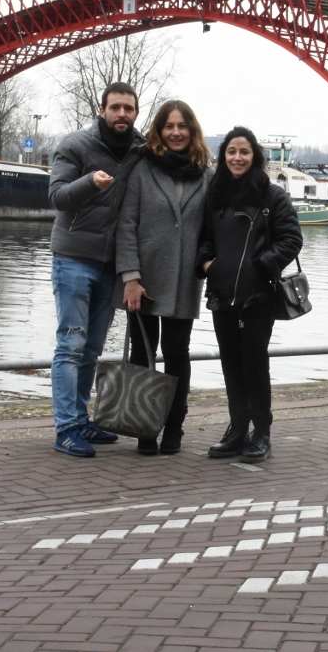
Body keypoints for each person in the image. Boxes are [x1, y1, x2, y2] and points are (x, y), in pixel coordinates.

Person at [48, 82, 145, 457]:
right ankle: (66, 428)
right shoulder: (76, 145)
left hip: (111, 266)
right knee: (70, 344)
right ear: (102, 110)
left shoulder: (140, 150)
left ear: (136, 113)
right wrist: (90, 182)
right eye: (115, 107)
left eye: (128, 108)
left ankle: (81, 419)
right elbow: (57, 197)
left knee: (91, 349)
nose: (122, 114)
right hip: (73, 258)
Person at [196, 127, 302, 463]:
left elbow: (292, 239)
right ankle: (238, 430)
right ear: (223, 156)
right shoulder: (215, 195)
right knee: (230, 365)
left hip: (258, 297)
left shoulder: (272, 196)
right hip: (222, 296)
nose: (237, 158)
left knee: (254, 365)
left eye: (244, 152)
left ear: (254, 156)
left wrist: (260, 266)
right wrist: (209, 265)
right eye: (231, 152)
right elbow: (204, 238)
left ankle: (262, 433)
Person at [115, 100, 213, 456]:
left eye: (182, 126)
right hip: (143, 279)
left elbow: (212, 230)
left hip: (184, 280)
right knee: (143, 352)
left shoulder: (206, 175)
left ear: (192, 130)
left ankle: (174, 426)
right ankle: (144, 426)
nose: (175, 133)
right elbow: (126, 225)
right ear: (159, 130)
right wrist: (130, 277)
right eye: (169, 126)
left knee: (177, 354)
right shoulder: (142, 169)